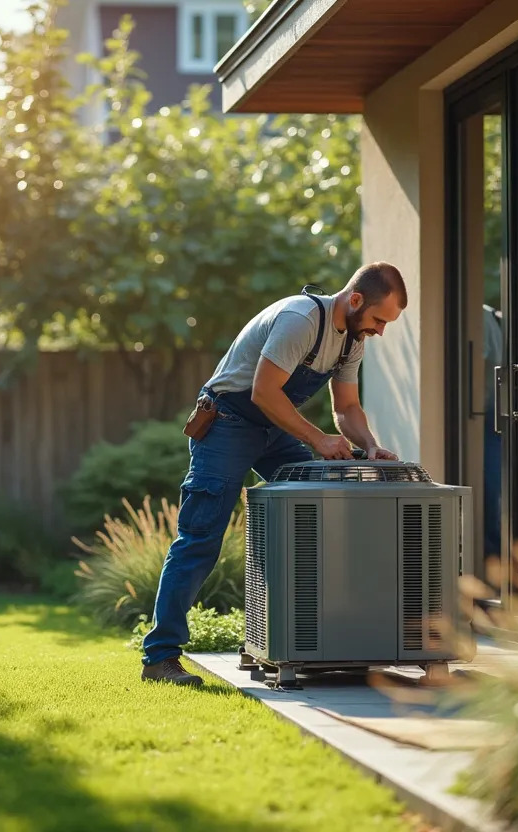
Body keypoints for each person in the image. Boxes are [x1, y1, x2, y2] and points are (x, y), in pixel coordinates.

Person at [140, 263, 408, 686]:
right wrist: (319, 440)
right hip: (227, 421)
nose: (379, 331)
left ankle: (303, 639)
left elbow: (347, 408)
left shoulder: (352, 339)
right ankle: (160, 657)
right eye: (378, 320)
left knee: (310, 521)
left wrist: (370, 444)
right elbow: (264, 392)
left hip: (272, 427)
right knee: (201, 538)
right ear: (355, 300)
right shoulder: (300, 320)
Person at [482, 304, 503, 561]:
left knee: (489, 492)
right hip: (491, 414)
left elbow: (479, 366)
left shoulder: (480, 316)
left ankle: (493, 564)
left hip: (485, 416)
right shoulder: (491, 318)